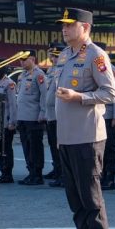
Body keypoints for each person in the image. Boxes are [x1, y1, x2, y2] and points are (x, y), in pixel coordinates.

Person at [54, 7, 115, 229]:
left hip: (87, 135)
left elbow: (110, 93)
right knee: (74, 195)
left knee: (90, 194)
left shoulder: (96, 55)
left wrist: (79, 97)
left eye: (70, 24)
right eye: (63, 25)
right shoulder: (64, 55)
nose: (64, 29)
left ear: (86, 27)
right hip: (66, 135)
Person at [16, 49, 47, 185]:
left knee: (35, 147)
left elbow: (44, 95)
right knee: (26, 146)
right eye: (21, 60)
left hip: (34, 117)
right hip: (23, 116)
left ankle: (37, 174)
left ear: (33, 59)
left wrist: (43, 112)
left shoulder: (39, 75)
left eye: (24, 59)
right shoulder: (22, 75)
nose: (22, 62)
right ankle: (31, 172)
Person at [97, 42, 115, 191]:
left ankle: (110, 177)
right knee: (98, 148)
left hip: (108, 115)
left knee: (109, 147)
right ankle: (101, 174)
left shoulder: (111, 71)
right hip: (96, 115)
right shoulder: (94, 68)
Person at [0, 58, 17, 184]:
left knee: (6, 148)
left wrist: (12, 121)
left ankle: (7, 173)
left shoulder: (9, 83)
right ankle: (2, 172)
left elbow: (12, 104)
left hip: (6, 121)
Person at [45, 42, 65, 187]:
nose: (54, 58)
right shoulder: (53, 70)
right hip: (51, 114)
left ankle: (64, 174)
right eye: (53, 56)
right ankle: (58, 170)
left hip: (60, 115)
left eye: (57, 56)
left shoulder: (65, 70)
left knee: (61, 147)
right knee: (53, 145)